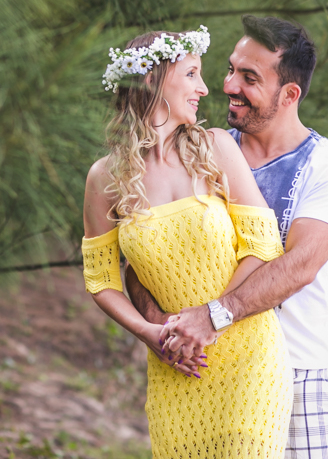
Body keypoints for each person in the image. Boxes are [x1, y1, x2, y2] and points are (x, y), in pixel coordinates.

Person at [130, 16, 328, 459]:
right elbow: (140, 255)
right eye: (231, 69)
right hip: (212, 373)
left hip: (302, 373)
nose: (227, 85)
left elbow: (299, 266)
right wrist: (162, 328)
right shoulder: (198, 151)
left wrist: (211, 317)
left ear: (289, 95)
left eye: (249, 78)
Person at [82, 27, 292, 458]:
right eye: (192, 74)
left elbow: (263, 244)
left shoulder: (217, 148)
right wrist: (150, 333)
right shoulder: (105, 177)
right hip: (176, 363)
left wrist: (209, 318)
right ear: (152, 80)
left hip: (249, 358)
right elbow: (102, 280)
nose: (205, 88)